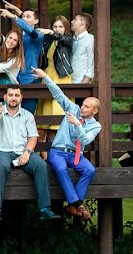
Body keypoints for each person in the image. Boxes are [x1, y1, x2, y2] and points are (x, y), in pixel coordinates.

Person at [33, 67, 101, 221]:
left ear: (94, 111)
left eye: (86, 107)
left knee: (90, 169)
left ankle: (72, 205)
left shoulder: (96, 126)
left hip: (75, 154)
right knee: (61, 169)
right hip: (57, 152)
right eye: (82, 105)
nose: (82, 108)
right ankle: (77, 203)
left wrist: (78, 125)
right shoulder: (72, 109)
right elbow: (58, 94)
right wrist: (45, 77)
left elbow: (84, 141)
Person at [0, 85, 59, 221]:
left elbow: (33, 138)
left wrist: (27, 153)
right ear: (5, 97)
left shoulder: (27, 115)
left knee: (41, 166)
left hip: (22, 151)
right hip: (1, 151)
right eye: (10, 95)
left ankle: (45, 209)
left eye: (16, 95)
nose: (13, 98)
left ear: (21, 98)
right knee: (0, 166)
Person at [0, 1, 43, 112]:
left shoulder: (38, 35)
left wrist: (14, 16)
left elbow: (31, 30)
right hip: (15, 79)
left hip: (30, 78)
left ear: (36, 21)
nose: (24, 19)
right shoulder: (19, 37)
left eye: (28, 17)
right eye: (23, 17)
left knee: (28, 114)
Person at [35, 15, 74, 136]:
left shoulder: (68, 39)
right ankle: (44, 153)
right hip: (48, 74)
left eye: (61, 27)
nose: (57, 29)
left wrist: (52, 32)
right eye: (55, 26)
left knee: (59, 111)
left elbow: (64, 39)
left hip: (61, 76)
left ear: (65, 28)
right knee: (44, 114)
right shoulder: (49, 40)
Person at [70, 13, 95, 84]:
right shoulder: (72, 40)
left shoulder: (90, 39)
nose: (72, 21)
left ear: (82, 23)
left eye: (75, 20)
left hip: (81, 84)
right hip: (68, 82)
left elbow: (92, 63)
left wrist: (83, 84)